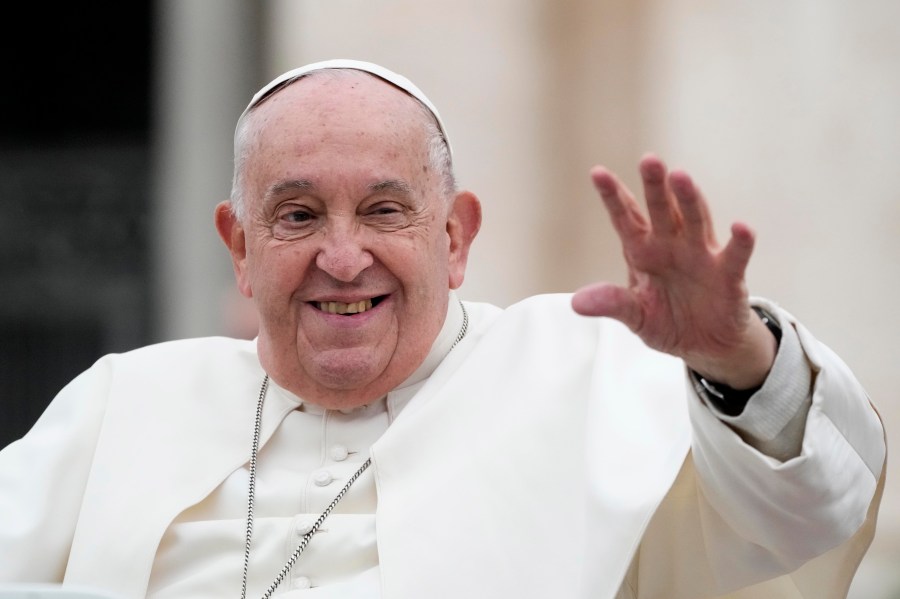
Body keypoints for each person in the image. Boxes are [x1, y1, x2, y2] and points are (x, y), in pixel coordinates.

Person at [0, 59, 886, 599]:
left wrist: (736, 359)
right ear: (240, 246)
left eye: (384, 210)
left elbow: (808, 514)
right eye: (298, 215)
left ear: (455, 237)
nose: (342, 257)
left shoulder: (582, 371)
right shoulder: (124, 403)